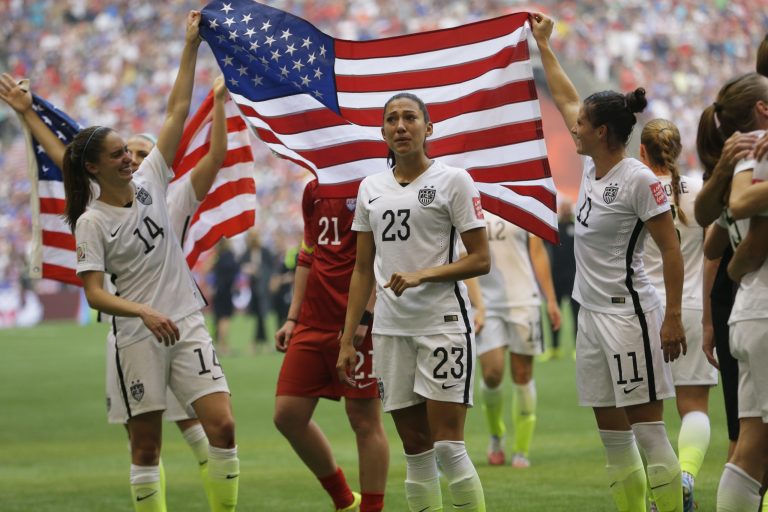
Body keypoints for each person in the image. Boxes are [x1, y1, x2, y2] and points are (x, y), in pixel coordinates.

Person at [2, 13, 239, 512]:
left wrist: (190, 45)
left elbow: (176, 109)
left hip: (187, 321)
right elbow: (93, 293)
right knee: (147, 446)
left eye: (130, 151)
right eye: (118, 154)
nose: (130, 157)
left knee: (223, 426)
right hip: (136, 336)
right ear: (95, 167)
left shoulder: (157, 180)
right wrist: (143, 312)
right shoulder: (91, 221)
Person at [531, 13, 687, 512]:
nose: (572, 126)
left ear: (601, 131)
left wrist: (673, 316)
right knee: (612, 436)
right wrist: (544, 46)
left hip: (630, 315)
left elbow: (669, 250)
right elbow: (565, 96)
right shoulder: (592, 164)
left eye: (580, 124)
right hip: (591, 314)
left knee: (647, 429)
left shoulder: (639, 180)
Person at [337, 92, 490, 512]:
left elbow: (480, 259)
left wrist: (422, 274)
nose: (400, 126)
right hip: (390, 331)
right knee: (415, 447)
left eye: (409, 118)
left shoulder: (454, 180)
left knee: (447, 447)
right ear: (383, 132)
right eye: (391, 120)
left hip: (442, 324)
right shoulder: (370, 188)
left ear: (429, 127)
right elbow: (363, 269)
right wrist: (348, 340)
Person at [272, 179, 389, 512]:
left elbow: (379, 261)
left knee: (364, 420)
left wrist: (365, 318)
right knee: (287, 415)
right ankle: (344, 500)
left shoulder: (375, 185)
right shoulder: (313, 190)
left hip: (356, 324)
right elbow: (308, 254)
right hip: (313, 320)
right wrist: (293, 318)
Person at [696, 71, 768, 511]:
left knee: (749, 447)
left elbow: (711, 241)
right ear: (762, 109)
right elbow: (754, 227)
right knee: (751, 447)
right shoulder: (759, 155)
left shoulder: (740, 158)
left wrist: (739, 267)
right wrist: (744, 261)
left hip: (748, 311)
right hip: (764, 311)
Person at [639, 119, 717, 511]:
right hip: (689, 306)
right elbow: (715, 251)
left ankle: (662, 492)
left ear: (642, 150)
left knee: (646, 415)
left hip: (642, 310)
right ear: (679, 149)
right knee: (694, 407)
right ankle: (685, 477)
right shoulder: (701, 192)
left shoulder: (634, 188)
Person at [465, 212, 561, 468]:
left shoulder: (520, 199)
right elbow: (464, 252)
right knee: (493, 373)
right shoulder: (471, 197)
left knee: (522, 374)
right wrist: (476, 302)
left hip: (523, 300)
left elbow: (537, 252)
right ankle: (496, 435)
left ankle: (522, 448)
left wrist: (550, 298)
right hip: (485, 303)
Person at [544, 198, 578, 360]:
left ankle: (577, 348)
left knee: (576, 314)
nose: (565, 210)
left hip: (573, 277)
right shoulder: (552, 228)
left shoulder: (577, 228)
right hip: (555, 277)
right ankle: (554, 348)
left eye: (567, 208)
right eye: (562, 208)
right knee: (552, 312)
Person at [241, 228, 274, 350]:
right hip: (253, 288)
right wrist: (248, 269)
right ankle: (262, 343)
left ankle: (256, 343)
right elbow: (241, 265)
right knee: (259, 315)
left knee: (261, 314)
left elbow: (272, 267)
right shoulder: (247, 252)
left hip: (264, 288)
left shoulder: (265, 251)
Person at [211, 238, 240, 355]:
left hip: (218, 290)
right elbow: (235, 269)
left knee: (218, 319)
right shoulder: (229, 256)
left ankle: (219, 346)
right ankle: (224, 347)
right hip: (226, 291)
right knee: (225, 318)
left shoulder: (218, 256)